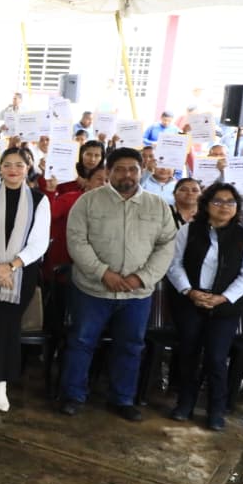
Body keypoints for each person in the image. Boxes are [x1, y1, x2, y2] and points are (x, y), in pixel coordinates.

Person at [60, 147, 177, 421]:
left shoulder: (157, 205)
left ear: (142, 171)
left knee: (130, 346)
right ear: (109, 172)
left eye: (133, 169)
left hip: (136, 295)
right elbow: (76, 241)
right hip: (92, 289)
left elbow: (166, 246)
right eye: (120, 169)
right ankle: (73, 395)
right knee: (81, 342)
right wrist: (103, 273)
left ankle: (122, 398)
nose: (127, 174)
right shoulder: (88, 202)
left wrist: (141, 277)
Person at [166, 183, 243, 431]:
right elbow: (174, 265)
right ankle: (185, 403)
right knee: (188, 353)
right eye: (218, 201)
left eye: (230, 202)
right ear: (206, 204)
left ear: (237, 207)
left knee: (217, 359)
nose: (224, 207)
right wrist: (189, 291)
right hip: (190, 301)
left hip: (224, 307)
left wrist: (223, 297)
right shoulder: (189, 231)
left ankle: (216, 410)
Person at [0, 148, 52, 412]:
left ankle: (0, 383)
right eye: (7, 165)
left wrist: (12, 266)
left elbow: (39, 243)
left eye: (19, 164)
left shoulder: (40, 200)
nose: (13, 169)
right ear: (0, 168)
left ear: (28, 168)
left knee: (8, 328)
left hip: (21, 275)